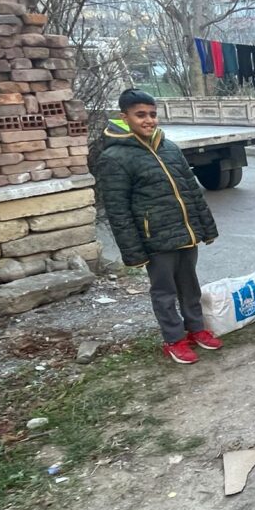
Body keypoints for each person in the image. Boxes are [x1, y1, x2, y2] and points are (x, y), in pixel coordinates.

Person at [95, 89, 222, 364]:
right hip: (155, 240)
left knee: (190, 286)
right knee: (164, 291)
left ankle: (196, 329)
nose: (148, 120)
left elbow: (191, 191)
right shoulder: (114, 157)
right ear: (124, 117)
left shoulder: (170, 148)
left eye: (152, 114)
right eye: (140, 115)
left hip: (184, 233)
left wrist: (206, 229)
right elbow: (118, 210)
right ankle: (174, 339)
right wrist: (134, 252)